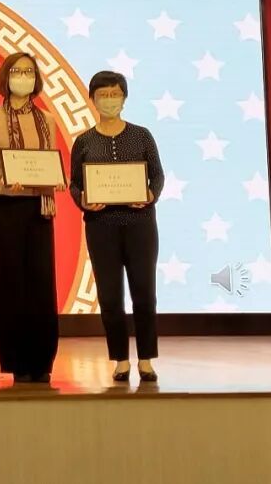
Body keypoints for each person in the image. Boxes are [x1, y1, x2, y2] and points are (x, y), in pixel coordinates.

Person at [69, 70, 165, 383]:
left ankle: (146, 360)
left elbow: (157, 175)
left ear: (124, 97)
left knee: (144, 294)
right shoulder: (84, 141)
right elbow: (75, 184)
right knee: (110, 297)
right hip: (101, 226)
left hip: (140, 225)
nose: (110, 100)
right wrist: (84, 201)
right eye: (103, 95)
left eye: (115, 94)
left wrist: (150, 194)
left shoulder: (142, 135)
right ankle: (121, 360)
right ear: (92, 99)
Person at [0, 53, 62, 384]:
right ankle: (17, 362)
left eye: (29, 71)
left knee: (42, 282)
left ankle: (42, 361)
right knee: (11, 281)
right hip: (6, 205)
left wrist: (55, 179)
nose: (23, 77)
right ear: (5, 76)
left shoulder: (48, 120)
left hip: (39, 206)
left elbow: (50, 161)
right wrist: (5, 174)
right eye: (17, 71)